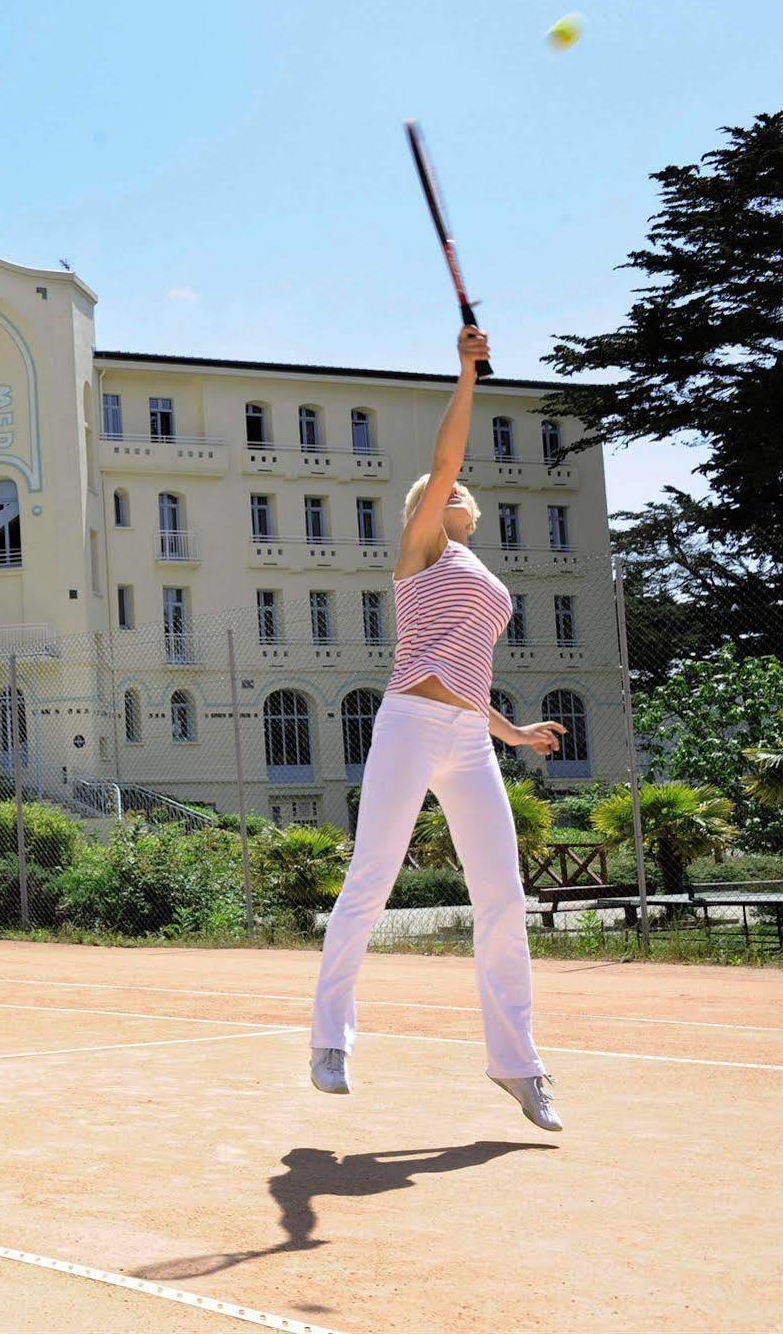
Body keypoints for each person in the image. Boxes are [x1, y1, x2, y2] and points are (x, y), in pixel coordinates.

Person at [308, 327, 568, 1132]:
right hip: (408, 725)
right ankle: (328, 1041)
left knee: (502, 897)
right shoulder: (420, 550)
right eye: (434, 490)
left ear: (471, 513)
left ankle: (517, 1065)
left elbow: (465, 675)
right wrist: (465, 370)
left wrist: (512, 732)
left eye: (451, 492)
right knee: (370, 883)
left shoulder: (483, 575)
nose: (445, 492)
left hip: (464, 736)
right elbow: (446, 455)